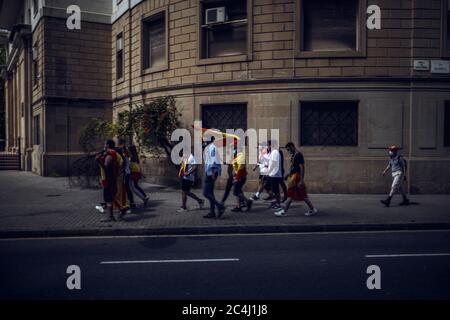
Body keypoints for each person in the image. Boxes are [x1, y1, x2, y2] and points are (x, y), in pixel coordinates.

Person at [275, 142, 318, 217]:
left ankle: (284, 211)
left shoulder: (298, 155)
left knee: (291, 195)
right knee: (303, 195)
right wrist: (288, 174)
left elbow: (302, 167)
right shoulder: (294, 155)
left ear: (292, 147)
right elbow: (293, 167)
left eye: (289, 149)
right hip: (294, 177)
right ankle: (312, 209)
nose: (289, 151)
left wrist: (301, 180)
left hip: (296, 178)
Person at [95, 139, 129, 222]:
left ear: (108, 145)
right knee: (112, 197)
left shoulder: (110, 154)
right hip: (113, 178)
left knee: (109, 198)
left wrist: (99, 161)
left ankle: (112, 215)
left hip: (109, 179)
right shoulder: (116, 154)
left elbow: (107, 168)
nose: (104, 146)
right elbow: (120, 165)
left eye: (105, 144)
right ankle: (120, 209)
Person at [202, 136, 225, 219]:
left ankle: (219, 206)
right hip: (210, 172)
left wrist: (212, 173)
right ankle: (212, 212)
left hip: (211, 173)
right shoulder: (209, 147)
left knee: (205, 193)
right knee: (210, 193)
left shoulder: (212, 148)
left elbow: (213, 161)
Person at [230, 148, 253, 212]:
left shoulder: (241, 156)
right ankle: (239, 206)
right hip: (238, 177)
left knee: (236, 192)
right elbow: (236, 167)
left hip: (240, 177)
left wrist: (237, 178)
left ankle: (247, 202)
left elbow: (240, 169)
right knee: (238, 191)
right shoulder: (238, 156)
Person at [267, 140, 283, 210]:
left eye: (268, 145)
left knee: (276, 190)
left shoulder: (275, 152)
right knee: (269, 188)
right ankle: (275, 201)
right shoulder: (273, 152)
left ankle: (278, 204)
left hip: (275, 174)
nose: (267, 147)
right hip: (273, 174)